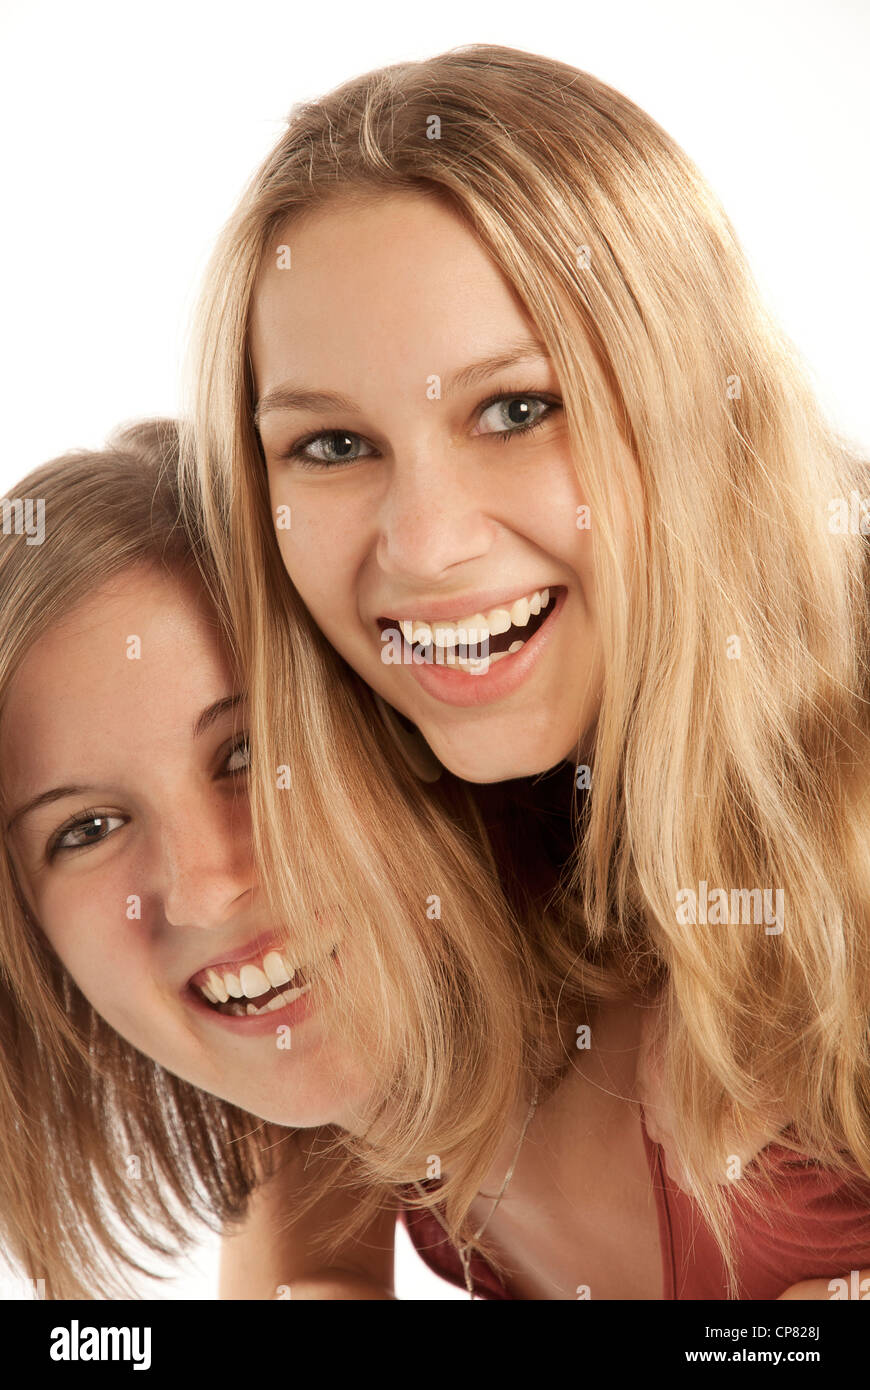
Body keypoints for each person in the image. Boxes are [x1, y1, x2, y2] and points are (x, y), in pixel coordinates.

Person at [181, 43, 870, 1297]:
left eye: (516, 409)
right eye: (331, 443)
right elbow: (302, 1264)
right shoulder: (333, 807)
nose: (427, 546)